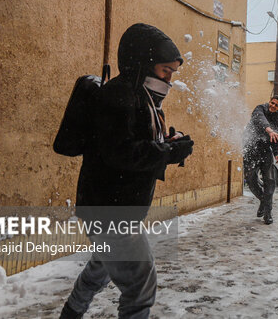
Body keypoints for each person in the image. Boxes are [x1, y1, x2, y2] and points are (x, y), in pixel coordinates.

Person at [60, 23, 194, 319]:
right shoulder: (118, 96)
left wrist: (168, 143)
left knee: (101, 268)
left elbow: (136, 144)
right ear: (143, 64)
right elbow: (120, 153)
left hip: (114, 210)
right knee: (140, 286)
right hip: (111, 212)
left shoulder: (140, 97)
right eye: (165, 71)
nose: (169, 79)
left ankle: (70, 313)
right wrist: (168, 153)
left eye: (172, 73)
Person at [243, 96, 278, 225]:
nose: (273, 106)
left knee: (270, 181)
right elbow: (260, 120)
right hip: (251, 149)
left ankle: (268, 213)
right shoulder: (259, 109)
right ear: (269, 102)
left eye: (276, 105)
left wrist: (277, 153)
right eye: (272, 103)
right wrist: (269, 130)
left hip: (266, 151)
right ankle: (262, 199)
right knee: (250, 179)